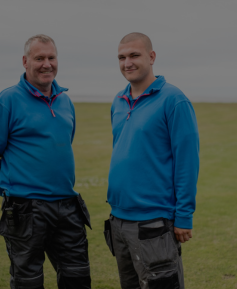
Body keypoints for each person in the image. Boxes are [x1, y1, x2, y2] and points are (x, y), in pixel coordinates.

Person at [0, 34, 91, 289]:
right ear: (25, 61)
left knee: (78, 277)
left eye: (51, 57)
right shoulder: (6, 101)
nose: (46, 64)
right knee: (27, 282)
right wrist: (7, 189)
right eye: (39, 58)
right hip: (26, 209)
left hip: (67, 205)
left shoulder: (65, 101)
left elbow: (63, 143)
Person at [104, 32, 199, 289]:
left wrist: (184, 216)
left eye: (134, 55)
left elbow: (187, 162)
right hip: (118, 221)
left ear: (152, 56)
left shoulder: (174, 100)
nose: (127, 63)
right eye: (122, 57)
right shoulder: (119, 101)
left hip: (153, 222)